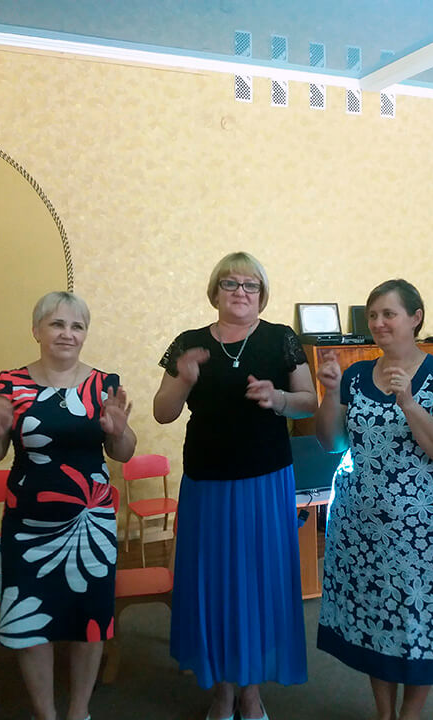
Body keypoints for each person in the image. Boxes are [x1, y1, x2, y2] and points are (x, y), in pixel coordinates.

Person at [153, 251, 317, 720]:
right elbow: (163, 412)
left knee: (259, 587)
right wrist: (183, 379)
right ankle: (222, 691)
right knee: (214, 588)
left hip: (265, 482)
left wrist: (278, 397)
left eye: (250, 285)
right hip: (207, 483)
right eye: (230, 283)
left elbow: (308, 402)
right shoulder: (188, 343)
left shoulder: (281, 338)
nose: (240, 292)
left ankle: (250, 692)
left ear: (262, 294)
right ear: (215, 292)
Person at [314, 279, 433, 720]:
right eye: (373, 315)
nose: (379, 323)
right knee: (377, 620)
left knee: (419, 620)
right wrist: (330, 393)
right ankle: (384, 713)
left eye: (389, 313)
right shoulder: (354, 375)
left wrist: (408, 402)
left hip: (426, 532)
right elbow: (331, 442)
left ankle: (410, 716)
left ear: (416, 317)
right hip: (361, 527)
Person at [0, 291, 135, 720]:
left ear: (85, 334)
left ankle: (79, 711)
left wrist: (119, 431)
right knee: (30, 625)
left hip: (91, 522)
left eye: (77, 326)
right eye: (57, 324)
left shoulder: (105, 384)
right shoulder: (11, 383)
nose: (67, 333)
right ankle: (44, 714)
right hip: (27, 524)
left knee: (89, 621)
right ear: (36, 330)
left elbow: (123, 453)